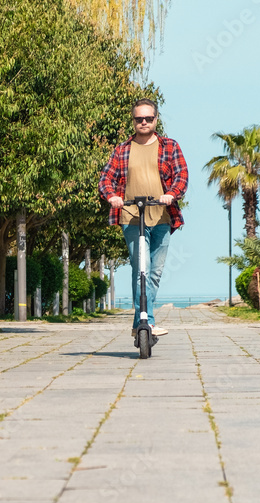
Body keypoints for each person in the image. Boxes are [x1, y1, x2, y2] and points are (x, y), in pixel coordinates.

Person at [98, 98, 188, 337]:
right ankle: (146, 322)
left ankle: (140, 321)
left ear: (156, 120)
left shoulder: (169, 146)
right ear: (134, 121)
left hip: (162, 218)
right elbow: (106, 178)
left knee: (155, 273)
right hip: (131, 217)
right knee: (142, 269)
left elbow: (181, 176)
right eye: (139, 119)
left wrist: (171, 194)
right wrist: (112, 197)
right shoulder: (122, 149)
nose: (144, 122)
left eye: (148, 118)